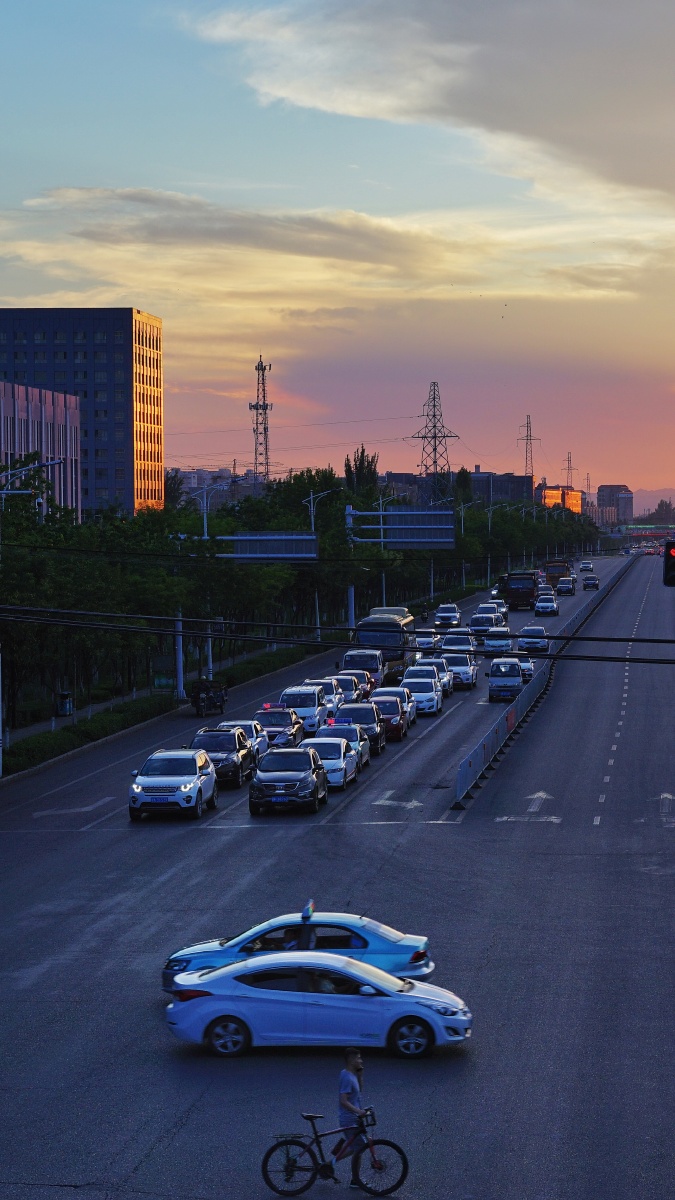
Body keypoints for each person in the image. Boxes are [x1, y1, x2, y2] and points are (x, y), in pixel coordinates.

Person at [329, 1048, 368, 1189]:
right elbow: (343, 1101)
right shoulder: (346, 1077)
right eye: (358, 1058)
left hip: (354, 1117)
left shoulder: (351, 1075)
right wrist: (359, 1111)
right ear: (351, 1060)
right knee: (359, 1147)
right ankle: (354, 1180)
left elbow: (358, 1093)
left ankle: (332, 1162)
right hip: (349, 1118)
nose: (361, 1061)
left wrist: (360, 1076)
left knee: (356, 1146)